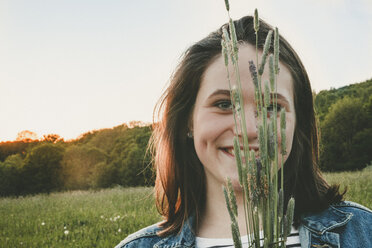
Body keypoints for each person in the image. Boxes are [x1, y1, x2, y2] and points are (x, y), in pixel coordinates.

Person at [115, 15, 372, 248]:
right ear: (187, 122)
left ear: (298, 123)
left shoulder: (362, 233)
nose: (249, 130)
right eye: (224, 104)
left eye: (272, 106)